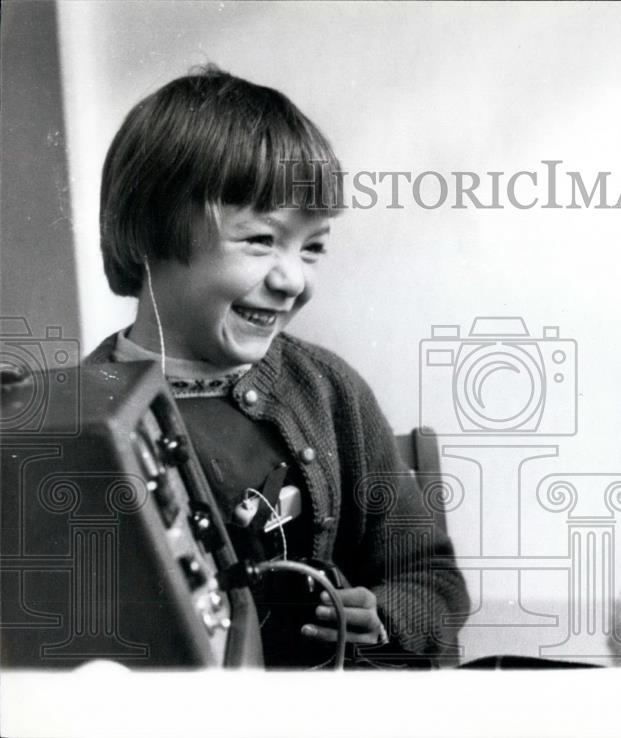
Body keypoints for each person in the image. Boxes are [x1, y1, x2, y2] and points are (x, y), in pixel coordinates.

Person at [84, 66, 469, 668]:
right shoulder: (77, 421)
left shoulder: (329, 390)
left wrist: (386, 615)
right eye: (262, 239)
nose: (294, 280)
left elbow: (431, 576)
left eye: (312, 247)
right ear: (147, 234)